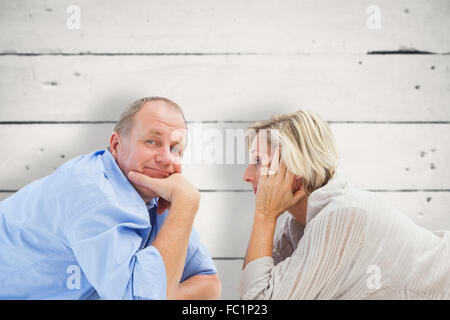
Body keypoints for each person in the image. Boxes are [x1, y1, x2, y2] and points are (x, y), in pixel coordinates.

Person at [0, 97, 221, 300]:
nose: (166, 158)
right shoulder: (91, 191)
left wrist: (157, 291)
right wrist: (186, 205)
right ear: (116, 145)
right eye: (152, 142)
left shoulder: (160, 195)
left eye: (175, 149)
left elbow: (208, 283)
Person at [239, 110, 449, 299]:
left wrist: (264, 215)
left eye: (258, 161)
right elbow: (251, 294)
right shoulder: (298, 226)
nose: (247, 176)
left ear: (295, 168)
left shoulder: (342, 214)